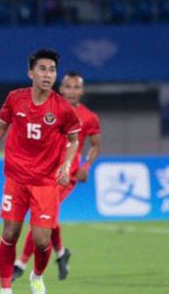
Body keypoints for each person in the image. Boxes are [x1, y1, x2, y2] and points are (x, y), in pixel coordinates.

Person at [0, 48, 81, 294]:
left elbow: (73, 139)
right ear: (31, 73)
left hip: (46, 182)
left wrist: (67, 163)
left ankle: (37, 277)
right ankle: (5, 293)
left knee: (41, 241)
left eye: (52, 70)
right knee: (10, 233)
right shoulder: (15, 99)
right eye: (42, 69)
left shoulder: (62, 108)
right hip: (16, 178)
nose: (48, 74)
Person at [13, 71, 102, 281]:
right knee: (49, 218)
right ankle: (61, 253)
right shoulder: (48, 109)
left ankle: (20, 264)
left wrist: (87, 166)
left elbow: (95, 146)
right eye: (68, 87)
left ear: (82, 90)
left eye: (76, 87)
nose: (72, 91)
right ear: (61, 89)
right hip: (43, 171)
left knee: (41, 219)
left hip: (66, 175)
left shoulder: (89, 117)